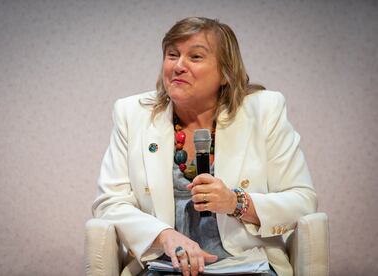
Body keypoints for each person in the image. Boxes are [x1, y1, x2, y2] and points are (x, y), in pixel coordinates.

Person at [92, 17, 316, 276]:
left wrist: (236, 202)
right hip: (165, 266)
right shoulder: (133, 114)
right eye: (172, 55)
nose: (178, 66)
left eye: (195, 57)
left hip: (245, 265)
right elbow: (109, 203)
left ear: (225, 72)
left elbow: (302, 200)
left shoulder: (264, 110)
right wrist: (165, 236)